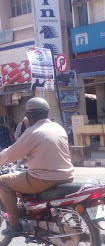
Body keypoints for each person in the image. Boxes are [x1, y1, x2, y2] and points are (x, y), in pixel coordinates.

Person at [0, 97, 74, 237]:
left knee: (2, 181)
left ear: (29, 116)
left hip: (43, 179)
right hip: (67, 176)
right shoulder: (58, 127)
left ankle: (14, 224)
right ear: (47, 113)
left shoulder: (33, 132)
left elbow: (11, 154)